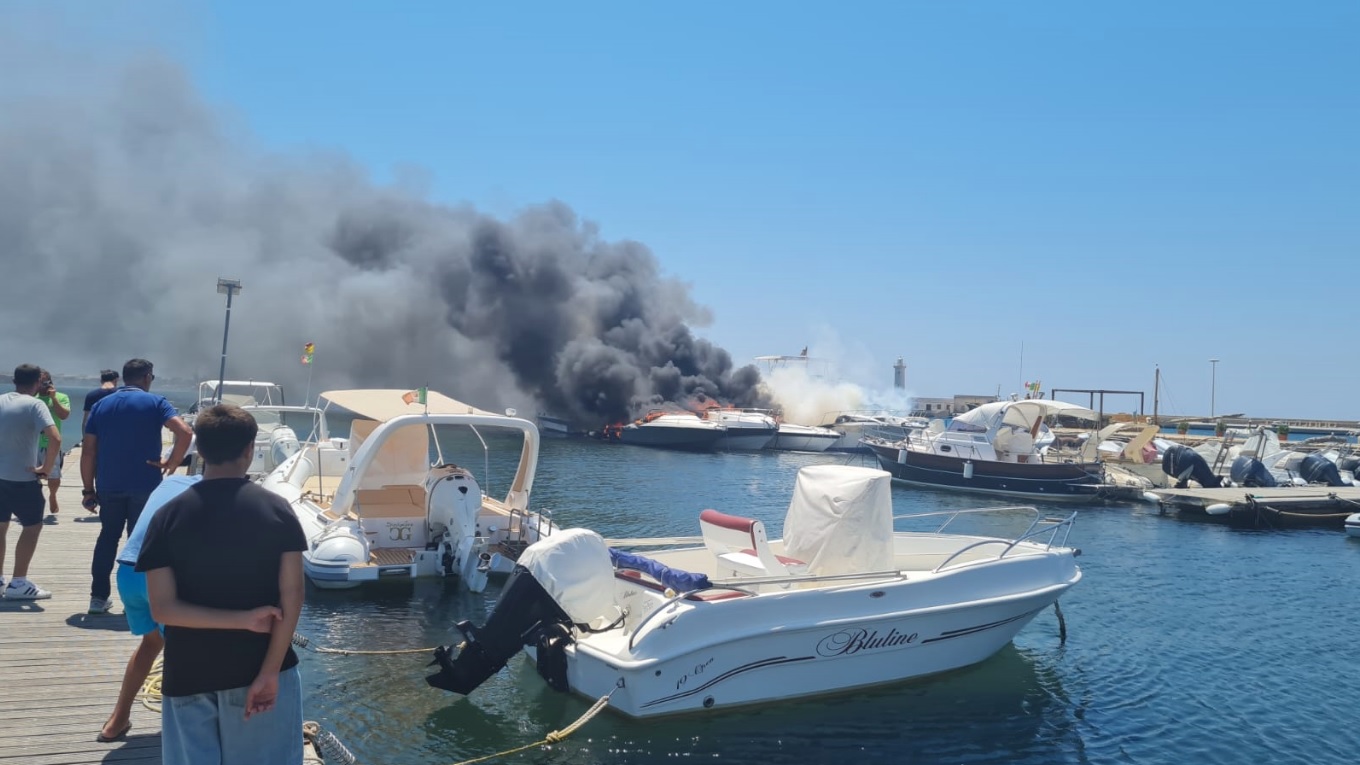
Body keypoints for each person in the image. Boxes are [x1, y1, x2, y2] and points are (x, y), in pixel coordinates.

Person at [138, 404, 306, 765]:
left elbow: (163, 609)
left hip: (189, 674)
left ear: (199, 449)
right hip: (258, 666)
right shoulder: (277, 511)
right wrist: (269, 672)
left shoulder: (166, 517)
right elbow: (292, 596)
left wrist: (241, 619)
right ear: (250, 450)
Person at [81, 358, 192, 615]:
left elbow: (88, 452)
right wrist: (172, 463)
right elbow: (185, 432)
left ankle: (98, 598)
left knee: (108, 538)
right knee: (141, 541)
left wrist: (88, 489)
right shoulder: (156, 403)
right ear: (147, 377)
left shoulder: (101, 405)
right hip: (146, 484)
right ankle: (141, 599)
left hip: (109, 485)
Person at [97, 473, 201, 743]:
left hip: (128, 572)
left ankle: (117, 720)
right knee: (185, 652)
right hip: (159, 576)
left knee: (151, 643)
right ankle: (183, 731)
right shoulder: (214, 493)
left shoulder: (170, 482)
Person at [0, 364, 61, 599]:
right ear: (37, 382)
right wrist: (45, 468)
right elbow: (55, 437)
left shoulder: (2, 399)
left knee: (1, 527)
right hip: (23, 478)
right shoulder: (35, 404)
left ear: (15, 380)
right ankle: (19, 583)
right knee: (32, 526)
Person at [34, 369, 70, 521]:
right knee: (30, 475)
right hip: (33, 443)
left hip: (52, 443)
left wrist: (53, 399)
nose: (42, 386)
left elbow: (64, 415)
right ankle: (35, 498)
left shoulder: (61, 397)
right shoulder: (31, 398)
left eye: (45, 382)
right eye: (39, 382)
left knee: (53, 475)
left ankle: (53, 495)